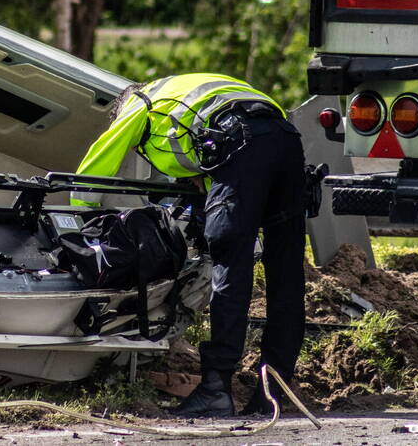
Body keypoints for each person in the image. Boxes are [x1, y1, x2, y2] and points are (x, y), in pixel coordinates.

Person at [70, 73, 306, 418]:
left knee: (230, 264)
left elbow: (101, 157)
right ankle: (274, 394)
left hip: (240, 142)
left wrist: (78, 218)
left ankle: (215, 389)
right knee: (286, 275)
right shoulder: (190, 93)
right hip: (285, 140)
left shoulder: (143, 101)